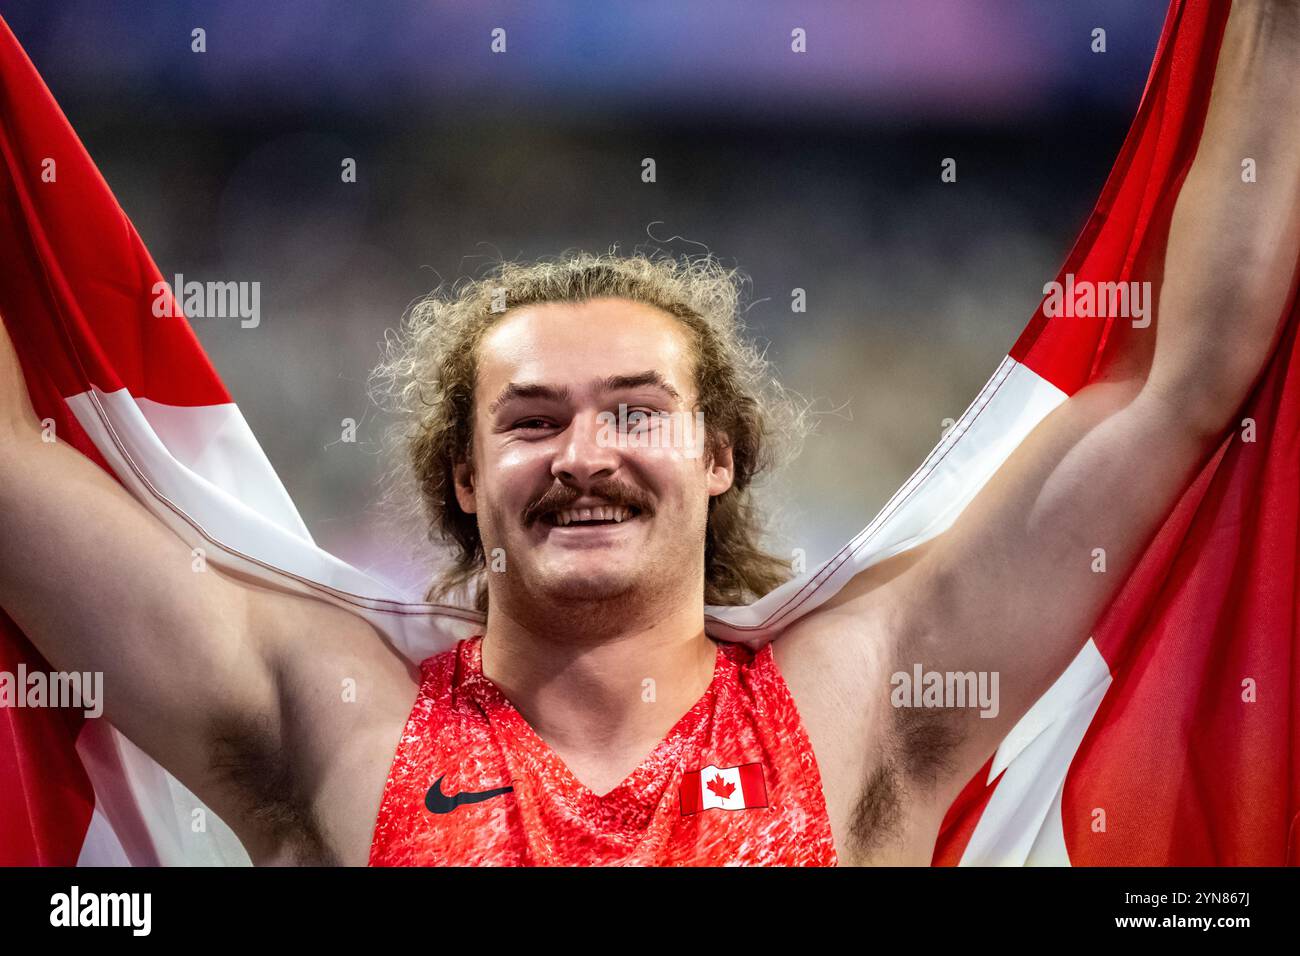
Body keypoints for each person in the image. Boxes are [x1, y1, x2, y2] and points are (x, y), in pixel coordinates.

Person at [1, 0, 1297, 866]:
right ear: (462, 475)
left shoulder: (860, 698)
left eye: (635, 410)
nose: (584, 454)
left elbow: (1184, 380)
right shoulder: (336, 715)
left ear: (720, 455)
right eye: (531, 421)